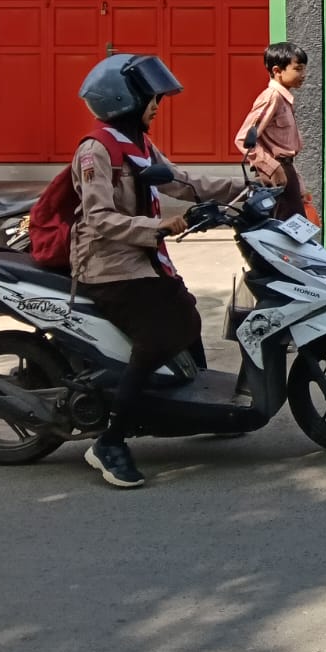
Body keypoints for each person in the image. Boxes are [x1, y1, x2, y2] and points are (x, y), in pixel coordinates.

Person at [71, 54, 241, 489]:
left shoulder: (139, 145)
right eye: (150, 98)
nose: (157, 105)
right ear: (123, 100)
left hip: (141, 260)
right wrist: (156, 224)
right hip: (107, 267)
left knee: (188, 311)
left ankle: (204, 409)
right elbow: (97, 219)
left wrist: (245, 183)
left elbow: (179, 182)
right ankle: (110, 441)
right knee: (162, 333)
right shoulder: (97, 151)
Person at [234, 42, 307, 223]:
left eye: (304, 69)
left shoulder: (285, 99)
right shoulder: (271, 97)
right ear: (277, 70)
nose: (303, 75)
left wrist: (298, 184)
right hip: (276, 175)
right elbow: (244, 138)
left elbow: (284, 148)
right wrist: (273, 168)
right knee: (287, 233)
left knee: (296, 230)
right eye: (297, 69)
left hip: (287, 171)